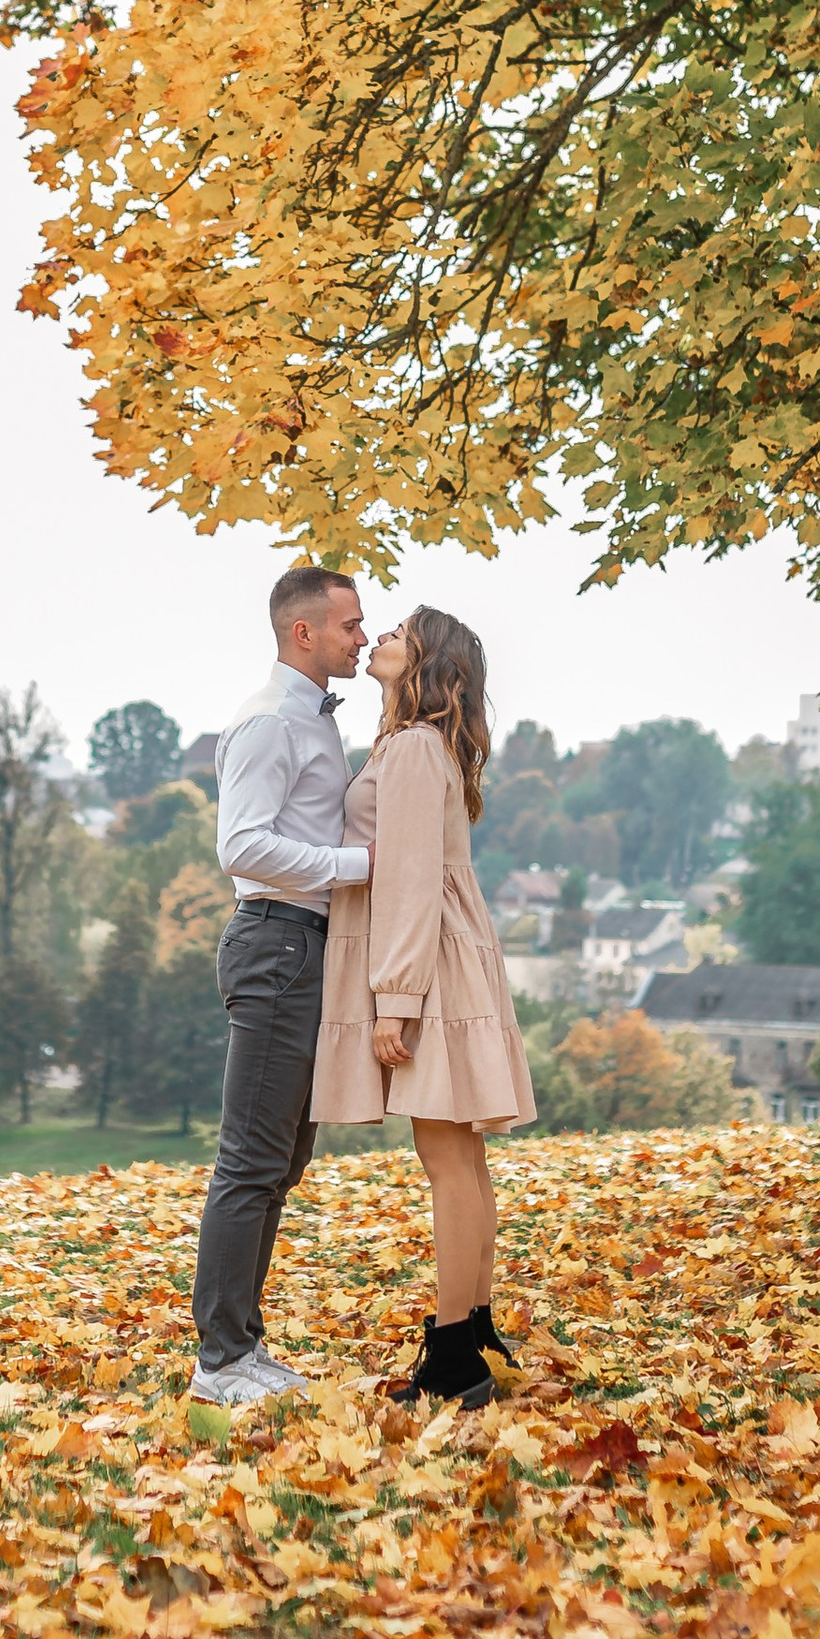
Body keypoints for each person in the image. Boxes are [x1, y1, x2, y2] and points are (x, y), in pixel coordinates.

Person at [314, 604, 535, 1411]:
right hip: (456, 954)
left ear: (426, 662)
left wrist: (392, 1003)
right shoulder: (428, 747)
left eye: (399, 633)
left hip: (432, 967)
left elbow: (404, 882)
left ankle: (451, 1357)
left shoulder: (410, 749)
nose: (380, 638)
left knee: (447, 1161)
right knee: (463, 1158)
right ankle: (472, 1329)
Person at [188, 564, 369, 1408]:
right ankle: (219, 1361)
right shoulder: (267, 722)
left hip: (306, 946)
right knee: (251, 1159)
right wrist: (356, 867)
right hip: (275, 944)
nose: (361, 638)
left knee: (283, 1156)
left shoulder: (314, 721)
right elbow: (243, 846)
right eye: (349, 625)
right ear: (305, 632)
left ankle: (243, 1346)